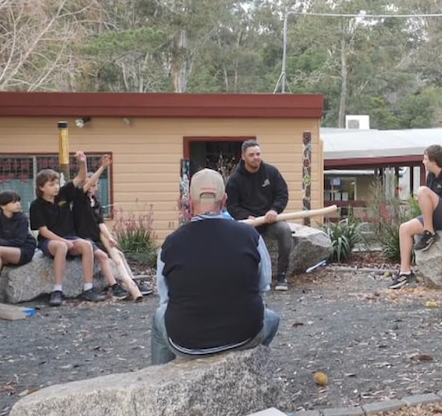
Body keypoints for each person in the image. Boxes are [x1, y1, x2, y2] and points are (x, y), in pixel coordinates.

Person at [150, 168, 280, 364]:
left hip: (186, 343)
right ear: (225, 200)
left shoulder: (170, 244)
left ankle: (160, 380)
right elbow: (263, 285)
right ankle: (250, 367)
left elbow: (165, 299)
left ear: (190, 203)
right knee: (271, 318)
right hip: (245, 335)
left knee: (158, 317)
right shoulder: (250, 236)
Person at [390, 145, 442, 289]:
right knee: (404, 229)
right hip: (435, 217)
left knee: (422, 191)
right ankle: (405, 272)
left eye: (425, 159)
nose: (423, 161)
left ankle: (429, 233)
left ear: (434, 161)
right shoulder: (431, 177)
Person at [29, 154, 107, 306]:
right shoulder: (36, 205)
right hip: (50, 242)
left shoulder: (63, 194)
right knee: (61, 246)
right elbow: (43, 232)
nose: (56, 187)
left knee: (87, 245)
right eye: (51, 184)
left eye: (57, 183)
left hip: (71, 237)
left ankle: (88, 289)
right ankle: (57, 290)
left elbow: (80, 177)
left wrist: (83, 163)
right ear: (41, 187)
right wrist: (63, 241)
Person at [74, 156, 152, 297]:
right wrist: (103, 167)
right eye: (90, 185)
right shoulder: (79, 200)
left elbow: (101, 223)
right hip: (84, 239)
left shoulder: (96, 203)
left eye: (95, 185)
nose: (93, 187)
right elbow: (87, 183)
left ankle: (132, 282)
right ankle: (115, 287)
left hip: (96, 239)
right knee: (103, 257)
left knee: (119, 255)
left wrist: (109, 238)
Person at [225, 140, 292, 291]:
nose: (256, 157)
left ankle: (281, 276)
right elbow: (232, 205)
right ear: (243, 157)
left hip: (270, 220)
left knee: (285, 231)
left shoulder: (271, 172)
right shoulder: (235, 180)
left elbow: (282, 194)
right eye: (251, 155)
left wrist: (274, 210)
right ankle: (250, 279)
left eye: (258, 154)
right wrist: (246, 217)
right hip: (249, 224)